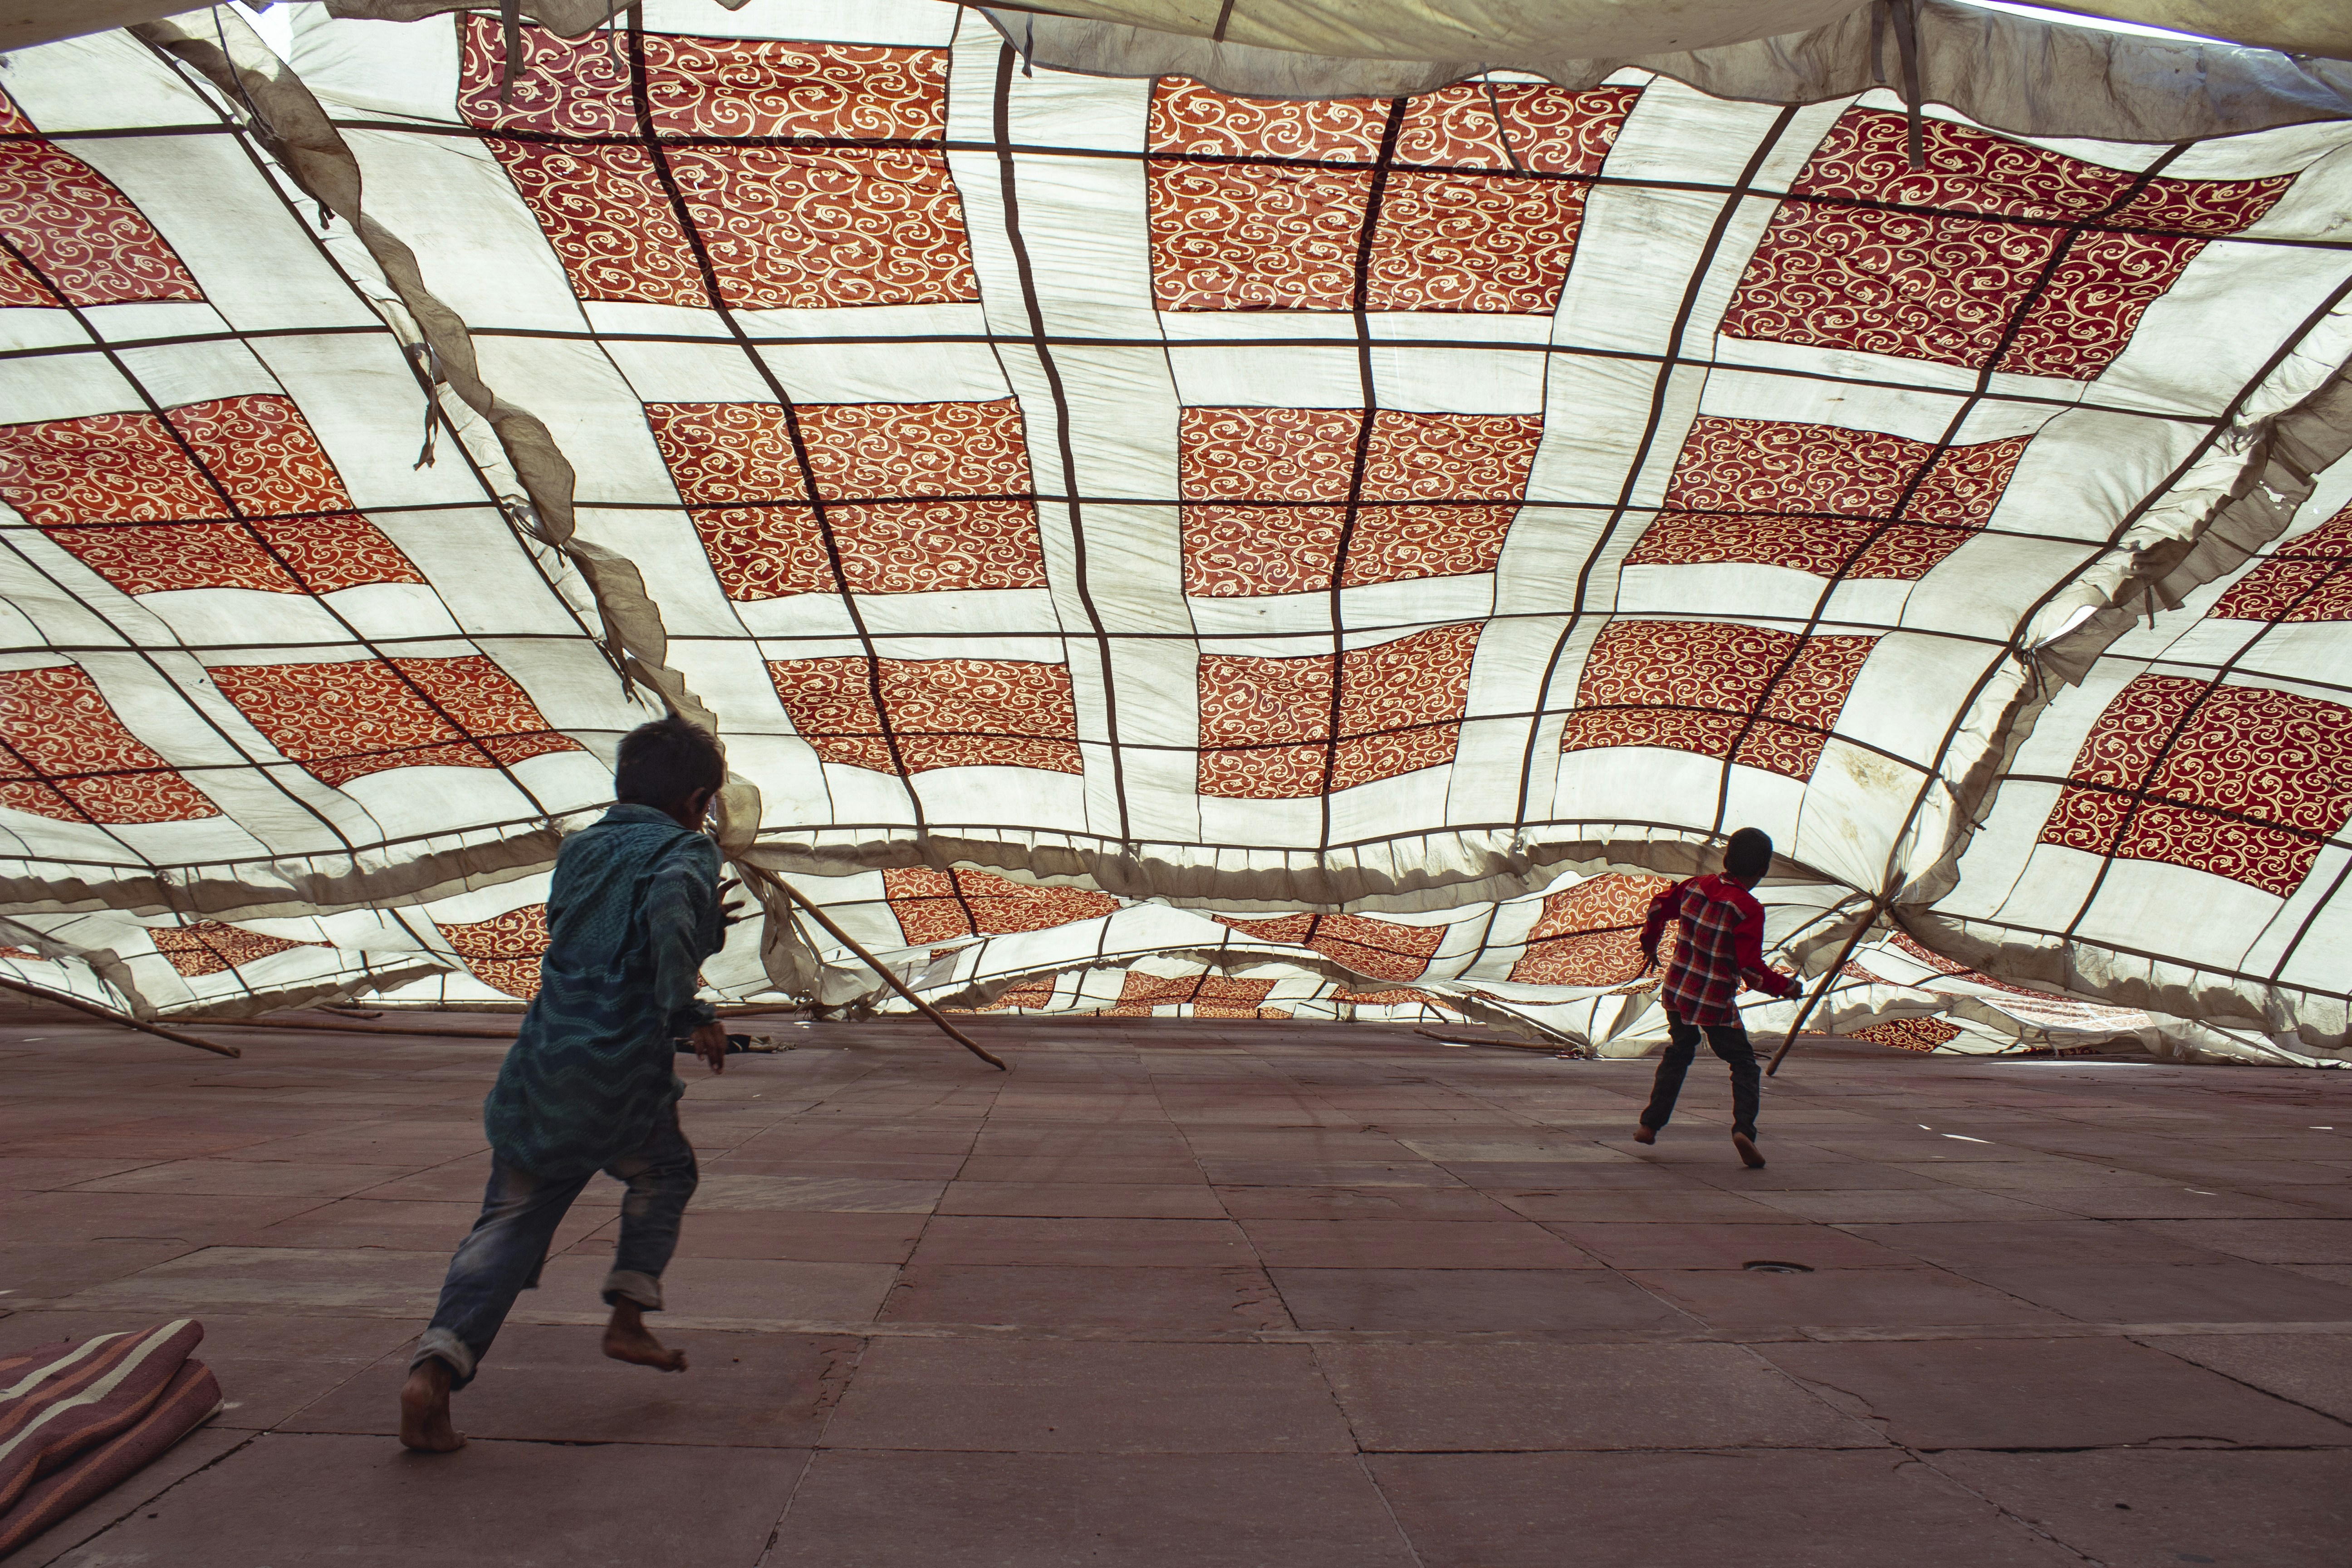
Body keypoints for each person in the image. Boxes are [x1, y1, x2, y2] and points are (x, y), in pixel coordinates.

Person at [399, 715, 740, 1453]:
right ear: (696, 800)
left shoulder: (581, 847)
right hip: (620, 1074)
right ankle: (627, 1315)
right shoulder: (688, 850)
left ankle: (434, 1370)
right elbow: (665, 922)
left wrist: (702, 925)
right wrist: (692, 1011)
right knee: (667, 1170)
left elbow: (586, 923)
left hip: (543, 1066)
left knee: (508, 1225)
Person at [1632, 827, 1799, 1169]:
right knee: (1743, 1063)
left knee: (1679, 1052)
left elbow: (1658, 908)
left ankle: (1650, 1125)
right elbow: (1750, 970)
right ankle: (1743, 1131)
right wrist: (1785, 987)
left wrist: (1650, 944)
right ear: (1763, 870)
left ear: (1726, 858)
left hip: (1678, 992)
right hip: (1713, 1001)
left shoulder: (1696, 886)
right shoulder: (1748, 909)